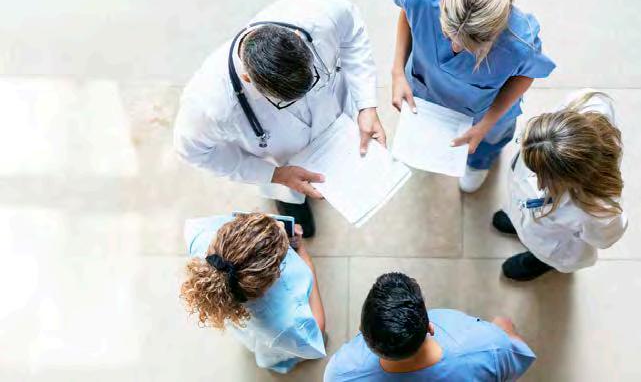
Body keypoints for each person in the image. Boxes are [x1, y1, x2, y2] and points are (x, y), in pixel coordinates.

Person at [174, 0, 385, 237]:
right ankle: (291, 201)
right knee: (292, 198)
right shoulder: (208, 104)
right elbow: (192, 152)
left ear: (297, 38)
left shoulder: (316, 15)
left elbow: (353, 32)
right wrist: (274, 174)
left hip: (336, 121)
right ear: (247, 79)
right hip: (282, 162)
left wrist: (366, 104)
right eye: (284, 102)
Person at [391, 0, 555, 192]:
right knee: (427, 134)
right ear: (442, 4)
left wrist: (486, 124)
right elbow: (408, 10)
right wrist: (398, 72)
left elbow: (527, 74)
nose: (455, 47)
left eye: (469, 46)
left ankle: (479, 162)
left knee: (486, 143)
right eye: (447, 34)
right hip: (426, 89)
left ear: (495, 37)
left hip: (484, 114)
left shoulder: (519, 44)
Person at [493, 88, 627, 281]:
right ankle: (518, 221)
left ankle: (540, 261)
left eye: (537, 173)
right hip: (525, 205)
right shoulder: (586, 103)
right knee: (522, 210)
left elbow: (604, 239)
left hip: (551, 243)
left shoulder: (600, 211)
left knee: (543, 248)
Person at [181, 211, 326, 373]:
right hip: (271, 337)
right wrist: (305, 258)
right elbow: (316, 331)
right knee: (278, 351)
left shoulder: (199, 234)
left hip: (239, 319)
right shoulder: (284, 322)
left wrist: (265, 229)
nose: (280, 224)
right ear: (270, 280)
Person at [324, 272, 535, 380]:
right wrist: (504, 328)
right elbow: (516, 359)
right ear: (430, 328)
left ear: (362, 333)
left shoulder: (341, 372)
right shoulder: (488, 348)